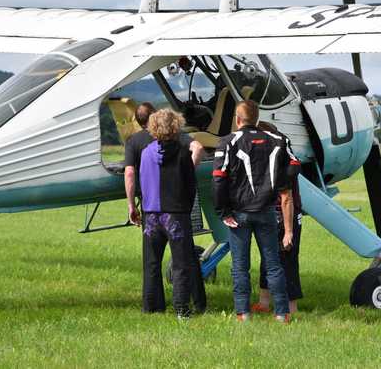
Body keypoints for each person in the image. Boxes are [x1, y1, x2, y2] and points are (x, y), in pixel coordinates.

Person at [212, 100, 295, 323]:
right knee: (273, 264)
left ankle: (243, 313)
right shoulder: (278, 139)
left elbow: (218, 179)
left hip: (238, 214)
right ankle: (281, 314)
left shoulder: (228, 142)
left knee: (240, 267)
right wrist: (281, 182)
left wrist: (223, 212)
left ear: (238, 120)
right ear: (257, 119)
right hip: (267, 211)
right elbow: (295, 164)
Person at [123, 102, 205, 314]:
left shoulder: (146, 152)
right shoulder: (182, 154)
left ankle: (151, 307)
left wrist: (135, 205)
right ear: (176, 126)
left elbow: (139, 178)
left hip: (151, 215)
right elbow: (190, 185)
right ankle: (181, 309)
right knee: (181, 265)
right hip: (176, 214)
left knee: (151, 264)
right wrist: (185, 208)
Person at [253, 121, 303, 314]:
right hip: (270, 213)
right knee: (267, 258)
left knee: (288, 259)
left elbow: (287, 199)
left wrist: (289, 231)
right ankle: (264, 303)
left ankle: (291, 308)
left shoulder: (282, 160)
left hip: (286, 214)